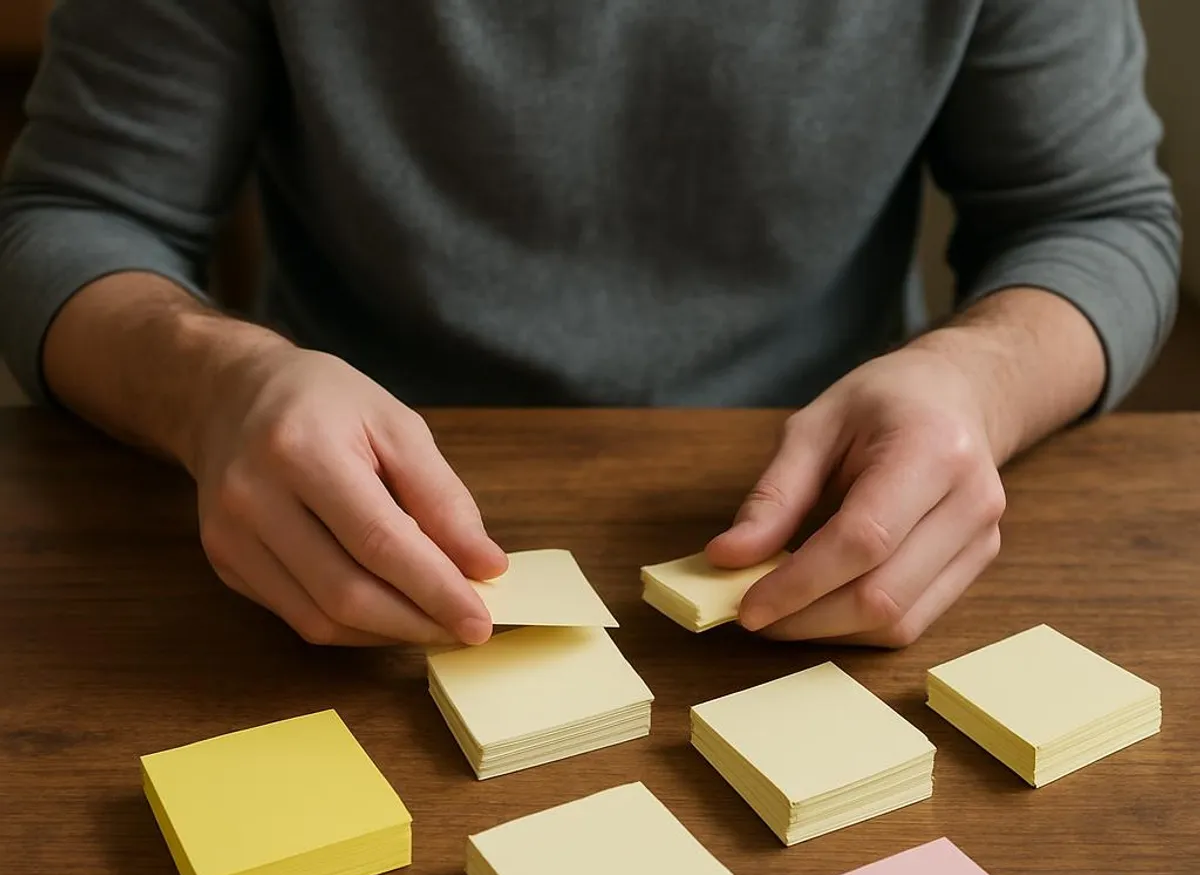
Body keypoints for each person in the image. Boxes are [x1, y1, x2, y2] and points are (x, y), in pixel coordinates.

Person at [0, 1, 1180, 649]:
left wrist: (975, 383)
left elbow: (1100, 218)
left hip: (834, 519)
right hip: (329, 527)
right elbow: (71, 216)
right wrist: (219, 388)